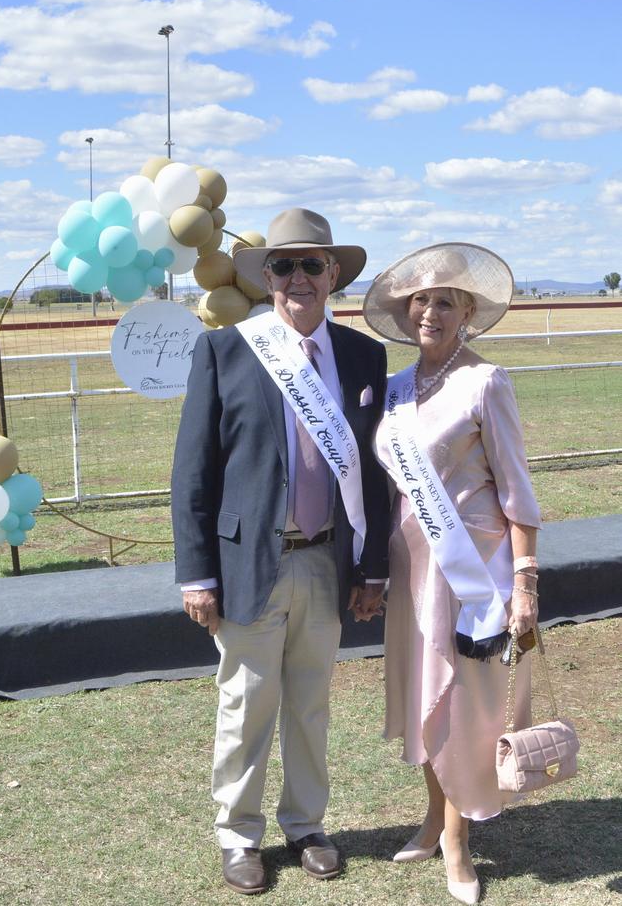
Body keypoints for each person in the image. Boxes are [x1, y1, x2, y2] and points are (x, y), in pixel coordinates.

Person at [172, 208, 390, 895]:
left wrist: (372, 564)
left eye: (313, 265)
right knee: (246, 704)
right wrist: (196, 574)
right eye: (285, 265)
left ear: (334, 277)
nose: (299, 278)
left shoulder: (364, 356)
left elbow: (375, 470)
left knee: (310, 703)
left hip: (327, 560)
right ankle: (239, 835)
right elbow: (193, 474)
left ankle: (306, 825)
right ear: (266, 278)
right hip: (247, 565)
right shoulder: (226, 350)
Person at [363, 243, 542, 905]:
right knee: (426, 699)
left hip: (474, 575)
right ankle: (435, 817)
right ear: (406, 314)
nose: (430, 311)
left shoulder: (485, 381)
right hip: (411, 573)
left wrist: (525, 581)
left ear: (467, 312)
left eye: (445, 300)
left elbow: (517, 491)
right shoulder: (393, 391)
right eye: (420, 301)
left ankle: (459, 846)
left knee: (465, 705)